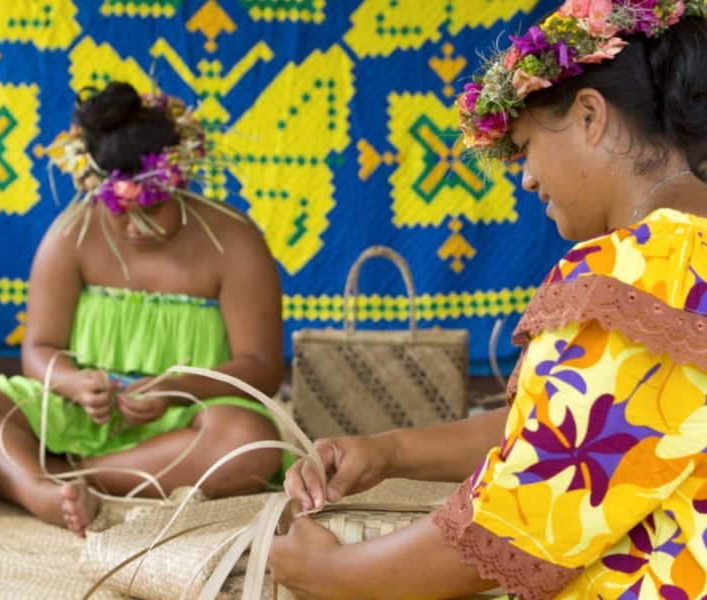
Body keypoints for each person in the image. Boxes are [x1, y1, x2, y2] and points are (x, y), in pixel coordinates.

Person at [269, 1, 707, 597]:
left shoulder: (638, 272)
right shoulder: (685, 263)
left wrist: (332, 575)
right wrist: (389, 451)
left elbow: (522, 522)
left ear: (589, 117)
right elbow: (586, 425)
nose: (525, 178)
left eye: (525, 145)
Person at [0, 82, 286, 537]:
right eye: (119, 209)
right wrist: (73, 383)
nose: (134, 228)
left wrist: (176, 388)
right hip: (81, 414)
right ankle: (42, 489)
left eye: (153, 208)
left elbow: (261, 368)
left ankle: (51, 479)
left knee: (250, 443)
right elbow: (39, 348)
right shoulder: (72, 235)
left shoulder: (233, 241)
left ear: (179, 182)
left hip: (185, 420)